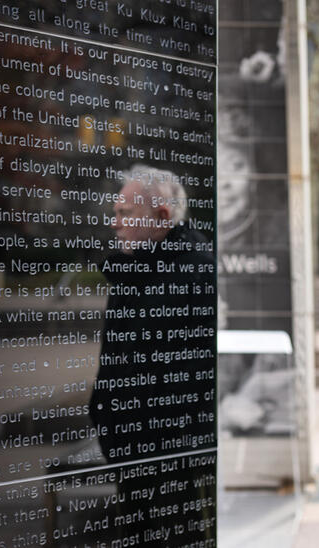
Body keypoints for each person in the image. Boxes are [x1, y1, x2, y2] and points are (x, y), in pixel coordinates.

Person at [89, 165, 215, 463]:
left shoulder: (199, 274)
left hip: (173, 457)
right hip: (128, 451)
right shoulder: (130, 272)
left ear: (161, 217)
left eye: (125, 213)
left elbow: (200, 374)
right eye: (116, 213)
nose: (115, 224)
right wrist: (106, 420)